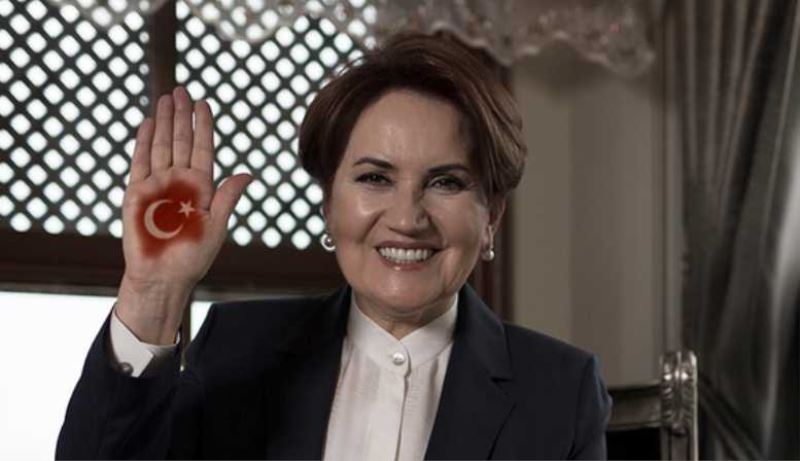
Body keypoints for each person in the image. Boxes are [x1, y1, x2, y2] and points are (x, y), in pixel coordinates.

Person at [56, 32, 611, 460]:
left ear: (491, 216)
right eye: (375, 178)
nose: (407, 219)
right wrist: (152, 294)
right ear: (329, 203)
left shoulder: (560, 390)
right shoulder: (237, 348)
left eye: (446, 182)